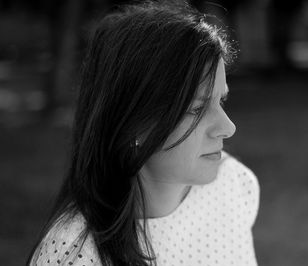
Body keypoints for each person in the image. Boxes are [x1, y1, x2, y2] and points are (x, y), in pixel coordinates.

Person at [28, 1, 260, 265]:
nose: (228, 128)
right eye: (195, 109)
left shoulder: (235, 187)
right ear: (133, 123)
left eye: (221, 101)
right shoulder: (73, 253)